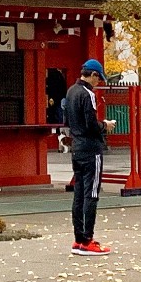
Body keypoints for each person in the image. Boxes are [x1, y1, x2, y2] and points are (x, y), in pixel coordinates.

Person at [61, 57, 111, 255]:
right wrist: (104, 125)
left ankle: (78, 238)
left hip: (77, 147)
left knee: (79, 194)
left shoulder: (71, 91)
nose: (98, 83)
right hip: (91, 148)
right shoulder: (87, 94)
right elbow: (91, 123)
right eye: (98, 79)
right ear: (93, 75)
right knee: (92, 193)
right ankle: (88, 239)